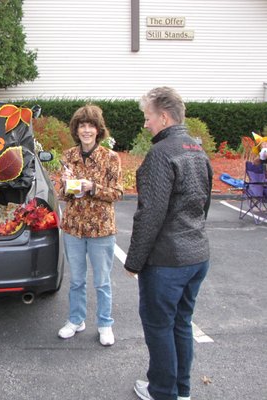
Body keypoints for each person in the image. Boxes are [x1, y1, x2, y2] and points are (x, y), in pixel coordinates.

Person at [124, 87, 213, 400]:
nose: (146, 124)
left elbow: (150, 214)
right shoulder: (196, 149)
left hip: (168, 262)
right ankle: (181, 390)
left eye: (148, 117)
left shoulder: (161, 154)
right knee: (181, 324)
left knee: (159, 326)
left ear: (163, 117)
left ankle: (163, 392)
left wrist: (133, 261)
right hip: (196, 256)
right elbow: (204, 204)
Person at [57, 104, 123, 346]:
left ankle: (105, 324)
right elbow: (61, 194)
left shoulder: (110, 157)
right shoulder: (68, 156)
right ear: (77, 129)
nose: (86, 130)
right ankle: (76, 320)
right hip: (74, 228)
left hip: (101, 229)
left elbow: (118, 192)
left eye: (90, 126)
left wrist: (92, 187)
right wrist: (65, 185)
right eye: (82, 126)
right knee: (76, 280)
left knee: (102, 281)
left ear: (98, 130)